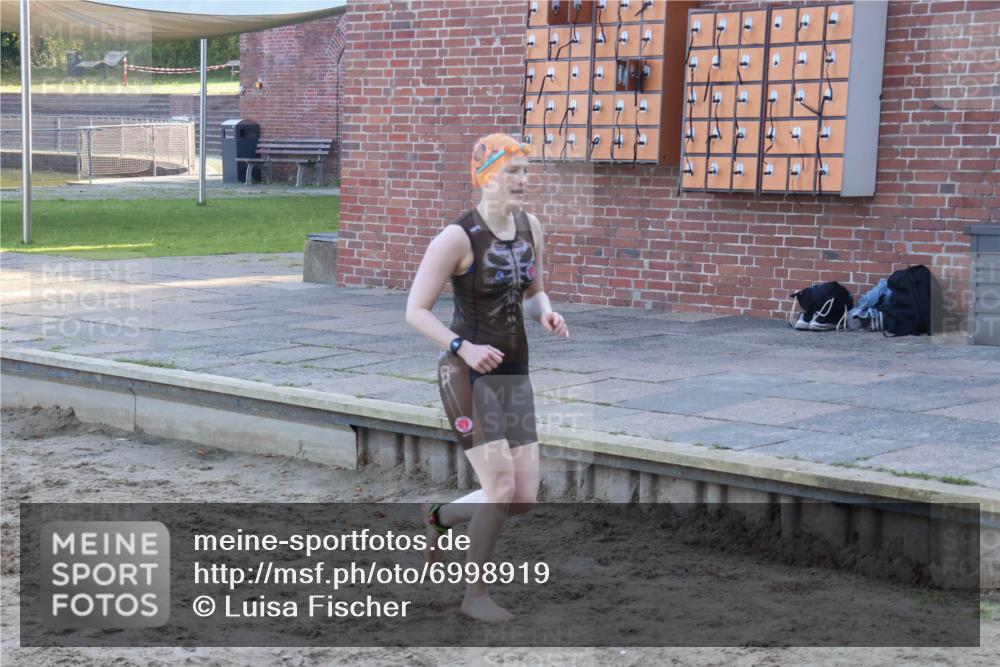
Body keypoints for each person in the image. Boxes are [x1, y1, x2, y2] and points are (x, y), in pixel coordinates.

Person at [405, 133, 569, 622]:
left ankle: (438, 516)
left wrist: (547, 314)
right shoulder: (457, 237)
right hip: (467, 374)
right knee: (497, 488)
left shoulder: (530, 226)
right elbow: (415, 311)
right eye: (512, 171)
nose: (524, 179)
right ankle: (474, 596)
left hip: (515, 374)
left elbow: (535, 292)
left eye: (526, 170)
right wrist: (464, 347)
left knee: (521, 499)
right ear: (485, 175)